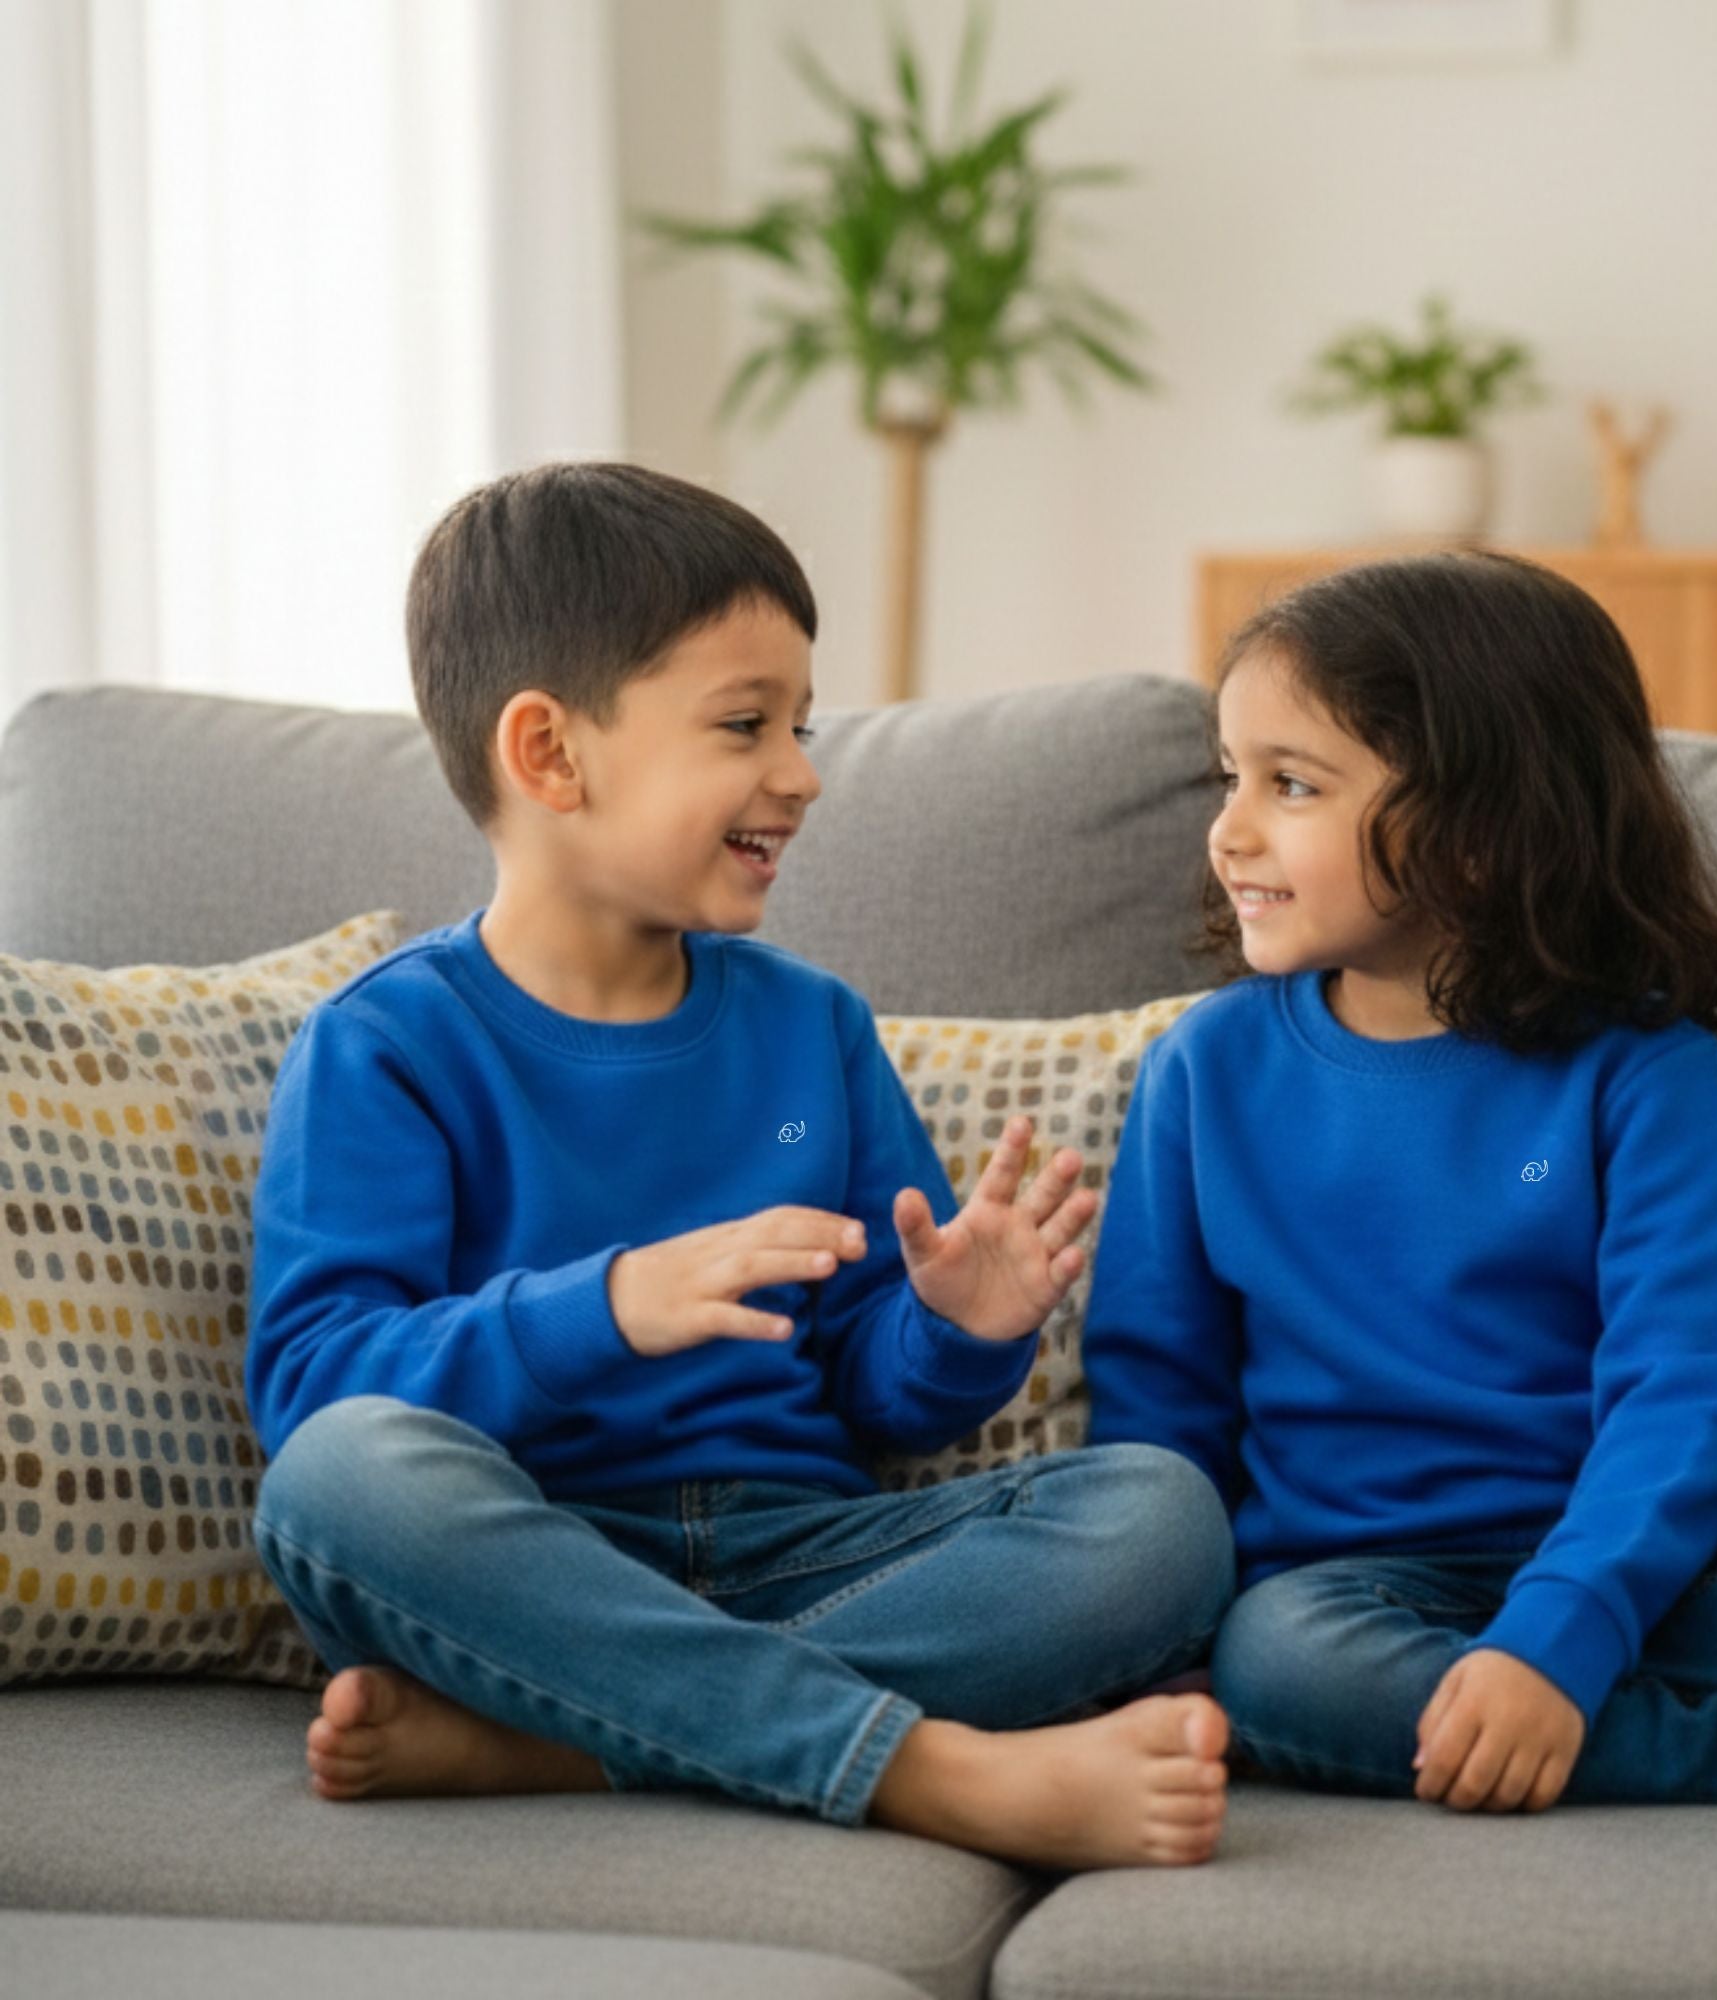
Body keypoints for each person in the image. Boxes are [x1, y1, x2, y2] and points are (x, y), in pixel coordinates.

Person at [245, 462, 1234, 1869]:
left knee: (1160, 1520)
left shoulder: (809, 1025)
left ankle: (565, 1740)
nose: (803, 772)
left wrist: (955, 1331)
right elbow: (316, 1387)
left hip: (806, 1553)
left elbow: (871, 1387)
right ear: (549, 754)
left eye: (802, 724)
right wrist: (613, 1304)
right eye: (745, 724)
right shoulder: (389, 1045)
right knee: (340, 1480)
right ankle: (926, 1770)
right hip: (523, 1556)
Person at [1085, 549, 1717, 1813]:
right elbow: (1157, 1404)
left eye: (1289, 783)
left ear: (1476, 827)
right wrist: (1152, 1629)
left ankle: (1511, 1700)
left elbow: (1691, 1376)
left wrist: (1557, 1630)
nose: (1228, 829)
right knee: (1280, 1661)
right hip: (1343, 1590)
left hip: (1623, 1563)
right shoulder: (1205, 1066)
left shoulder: (1636, 1066)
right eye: (1228, 776)